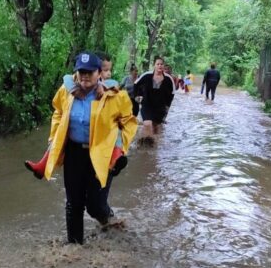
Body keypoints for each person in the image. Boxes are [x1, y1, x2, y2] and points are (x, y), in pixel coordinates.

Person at [39, 52, 137, 244]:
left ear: (99, 73)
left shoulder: (114, 96)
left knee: (94, 205)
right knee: (73, 203)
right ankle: (74, 248)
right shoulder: (66, 92)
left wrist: (120, 148)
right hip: (74, 153)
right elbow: (58, 113)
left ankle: (109, 221)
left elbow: (129, 122)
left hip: (102, 154)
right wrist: (53, 137)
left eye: (89, 72)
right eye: (81, 72)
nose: (84, 76)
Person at [135, 56, 175, 142]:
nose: (160, 66)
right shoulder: (146, 75)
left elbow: (172, 94)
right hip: (147, 105)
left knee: (155, 128)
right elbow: (136, 84)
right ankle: (144, 144)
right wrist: (136, 96)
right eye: (158, 64)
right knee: (147, 124)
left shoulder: (168, 79)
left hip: (160, 108)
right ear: (154, 65)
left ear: (163, 66)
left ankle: (153, 148)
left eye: (161, 64)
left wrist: (167, 107)